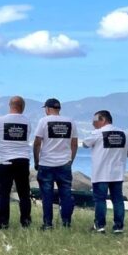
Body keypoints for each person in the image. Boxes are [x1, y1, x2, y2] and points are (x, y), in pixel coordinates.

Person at [83, 110, 128, 234]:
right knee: (118, 200)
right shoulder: (124, 134)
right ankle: (118, 227)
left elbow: (85, 144)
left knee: (100, 200)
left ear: (103, 120)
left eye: (95, 121)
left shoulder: (98, 133)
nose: (93, 124)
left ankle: (100, 226)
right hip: (117, 172)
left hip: (101, 172)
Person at [33, 98, 78, 230]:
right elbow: (74, 143)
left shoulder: (44, 121)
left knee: (47, 195)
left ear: (47, 109)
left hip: (46, 163)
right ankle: (66, 223)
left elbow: (37, 142)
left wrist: (36, 161)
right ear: (59, 109)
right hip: (64, 163)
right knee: (66, 194)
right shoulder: (70, 122)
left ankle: (47, 224)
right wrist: (71, 160)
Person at [0, 96, 32, 229]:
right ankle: (25, 222)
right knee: (24, 194)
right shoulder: (27, 122)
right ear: (23, 107)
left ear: (10, 105)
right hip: (23, 160)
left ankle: (3, 223)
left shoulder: (0, 120)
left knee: (4, 194)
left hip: (5, 161)